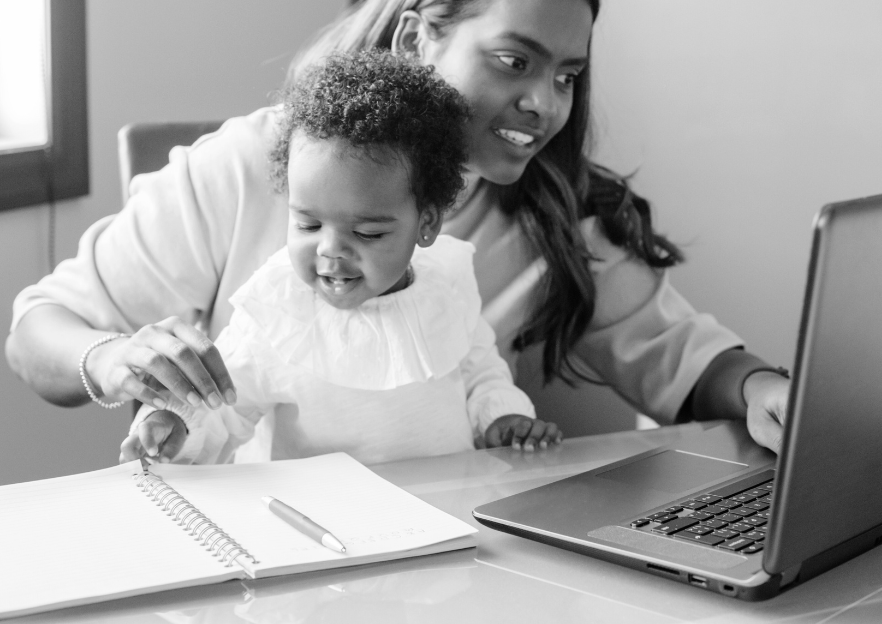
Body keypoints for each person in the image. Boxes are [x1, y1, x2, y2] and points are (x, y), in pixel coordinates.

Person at [5, 0, 790, 453]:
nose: (544, 103)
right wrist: (109, 361)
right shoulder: (249, 165)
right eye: (515, 61)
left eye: (567, 75)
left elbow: (682, 359)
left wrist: (761, 390)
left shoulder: (549, 210)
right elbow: (39, 331)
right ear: (419, 38)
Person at [119, 51, 560, 466]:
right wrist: (174, 426)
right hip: (319, 526)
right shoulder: (278, 312)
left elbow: (480, 370)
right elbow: (222, 408)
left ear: (426, 223)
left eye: (367, 232)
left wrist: (502, 418)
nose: (330, 250)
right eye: (308, 225)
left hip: (445, 513)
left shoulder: (447, 281)